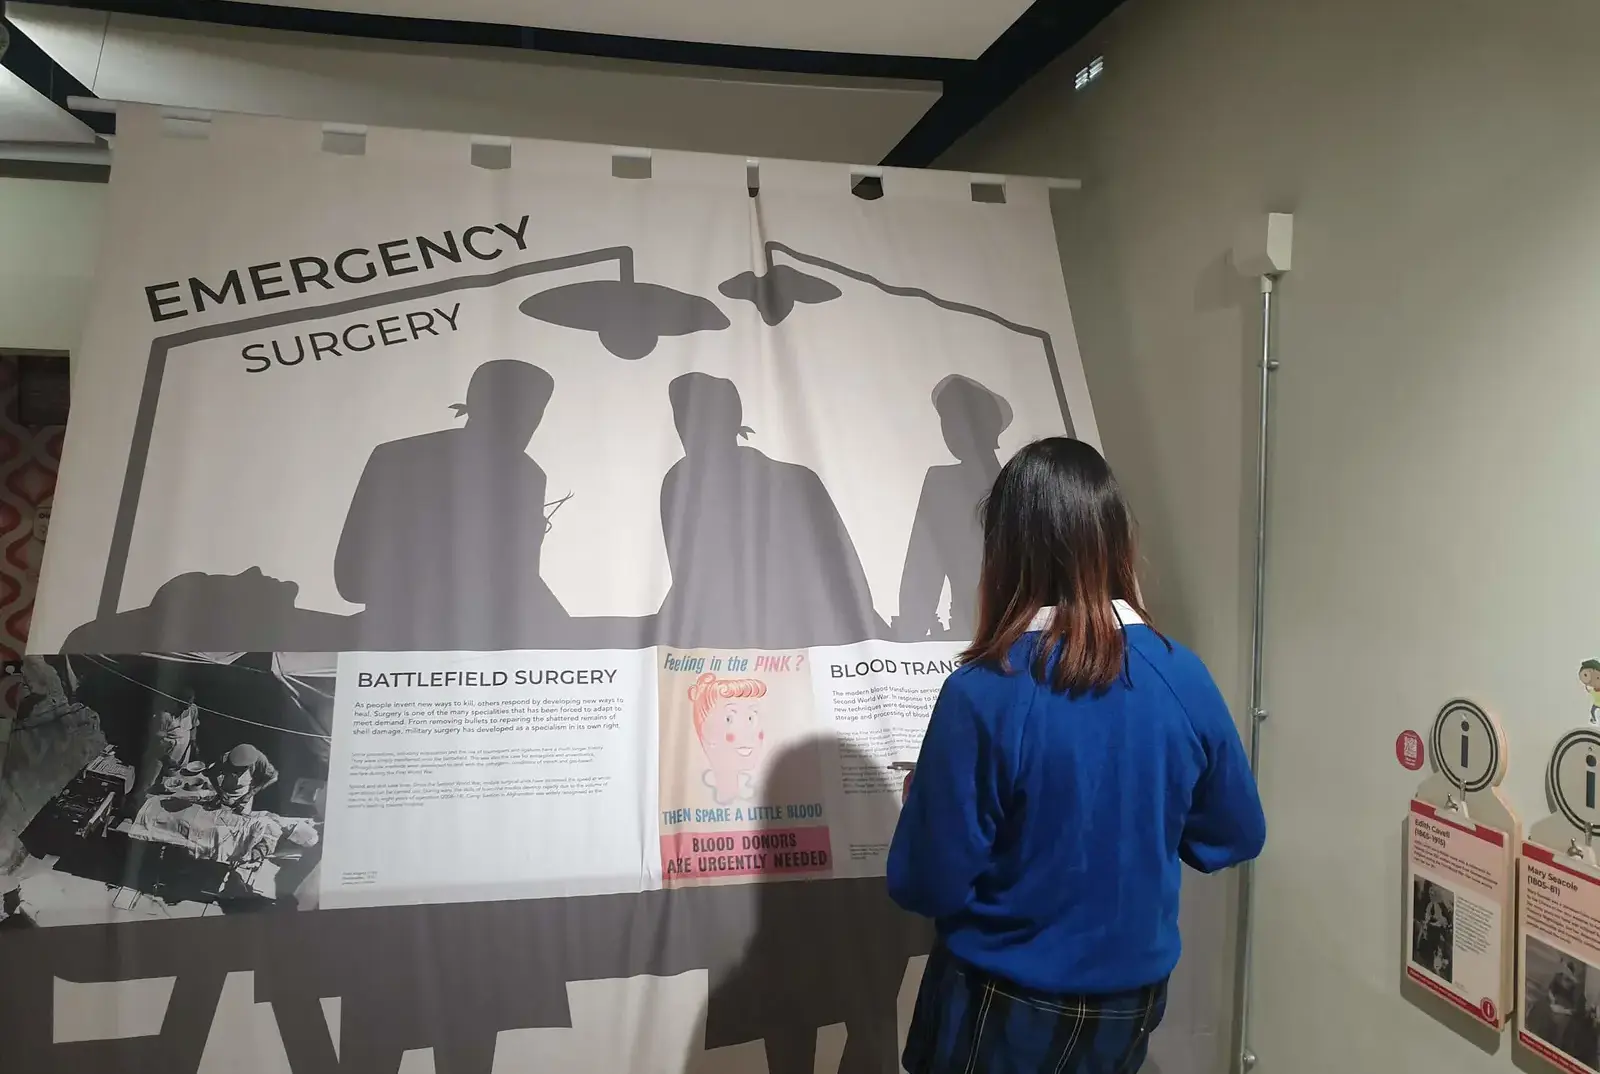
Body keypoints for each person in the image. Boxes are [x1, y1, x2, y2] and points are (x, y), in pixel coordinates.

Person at [887, 437, 1266, 1074]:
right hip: (1131, 1004)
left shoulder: (983, 691)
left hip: (1002, 1003)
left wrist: (920, 804)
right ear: (1115, 542)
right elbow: (1234, 834)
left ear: (1007, 550)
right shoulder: (1182, 674)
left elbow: (926, 881)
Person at [335, 359, 566, 649]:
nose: (527, 424)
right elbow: (353, 577)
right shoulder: (399, 458)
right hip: (398, 634)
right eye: (519, 410)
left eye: (535, 413)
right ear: (478, 403)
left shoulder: (528, 476)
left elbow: (519, 581)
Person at [656, 372, 886, 649]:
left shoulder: (796, 481)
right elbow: (686, 574)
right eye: (681, 418)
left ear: (731, 420)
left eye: (700, 418)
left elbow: (842, 569)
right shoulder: (678, 482)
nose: (688, 430)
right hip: (718, 635)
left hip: (802, 629)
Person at [894, 375, 1012, 641]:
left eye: (959, 418)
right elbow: (922, 571)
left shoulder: (1021, 484)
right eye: (946, 420)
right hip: (968, 635)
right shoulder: (941, 483)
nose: (951, 429)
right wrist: (908, 642)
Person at [208, 743, 279, 814]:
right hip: (226, 790)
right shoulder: (225, 758)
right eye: (232, 769)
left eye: (237, 771)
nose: (236, 773)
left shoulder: (260, 760)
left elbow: (272, 777)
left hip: (244, 793)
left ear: (247, 766)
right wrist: (220, 791)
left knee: (240, 815)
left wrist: (251, 793)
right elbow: (211, 774)